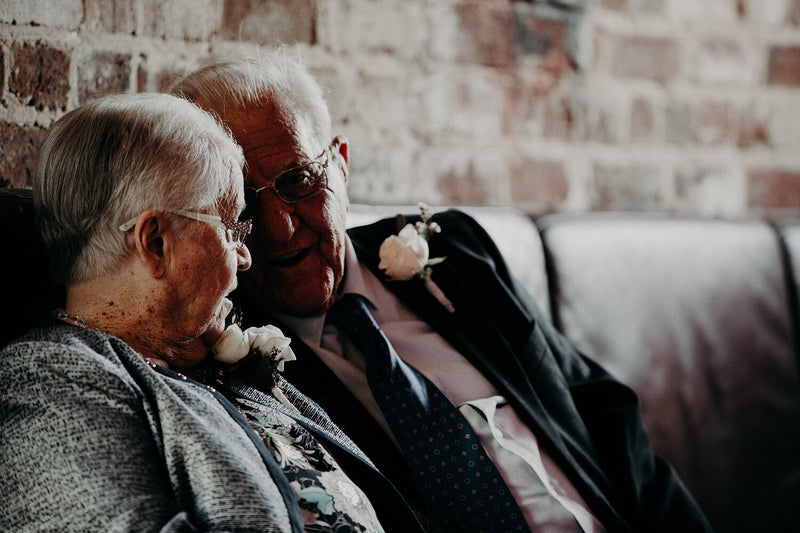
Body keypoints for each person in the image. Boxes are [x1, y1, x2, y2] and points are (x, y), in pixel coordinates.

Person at [172, 55, 714, 532]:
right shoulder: (226, 353)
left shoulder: (457, 250)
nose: (280, 229)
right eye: (244, 203)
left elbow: (602, 412)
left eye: (297, 181)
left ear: (340, 162)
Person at [0, 93, 425, 532]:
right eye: (231, 226)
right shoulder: (52, 382)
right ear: (156, 243)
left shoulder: (217, 364)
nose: (244, 256)